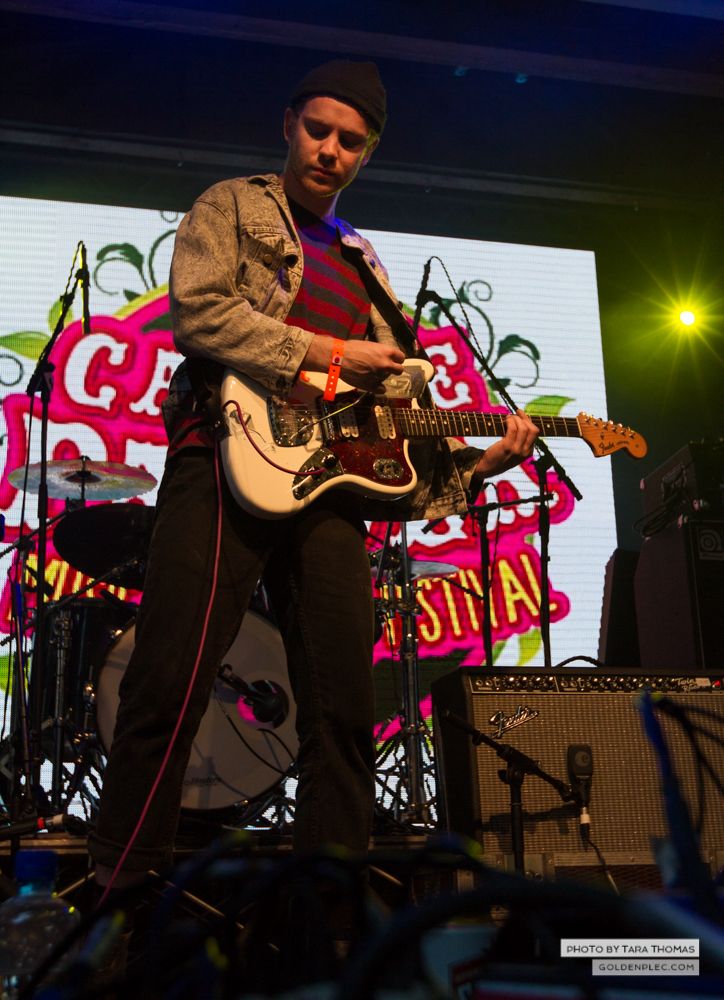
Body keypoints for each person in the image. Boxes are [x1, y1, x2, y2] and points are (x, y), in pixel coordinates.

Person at [87, 60, 538, 894]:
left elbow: (391, 417)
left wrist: (478, 463)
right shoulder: (233, 204)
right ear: (289, 125)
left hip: (327, 489)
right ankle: (122, 902)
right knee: (169, 680)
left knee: (344, 713)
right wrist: (331, 354)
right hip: (222, 456)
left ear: (368, 154)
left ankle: (327, 923)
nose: (331, 151)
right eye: (319, 131)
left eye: (351, 142)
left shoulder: (365, 262)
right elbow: (200, 312)